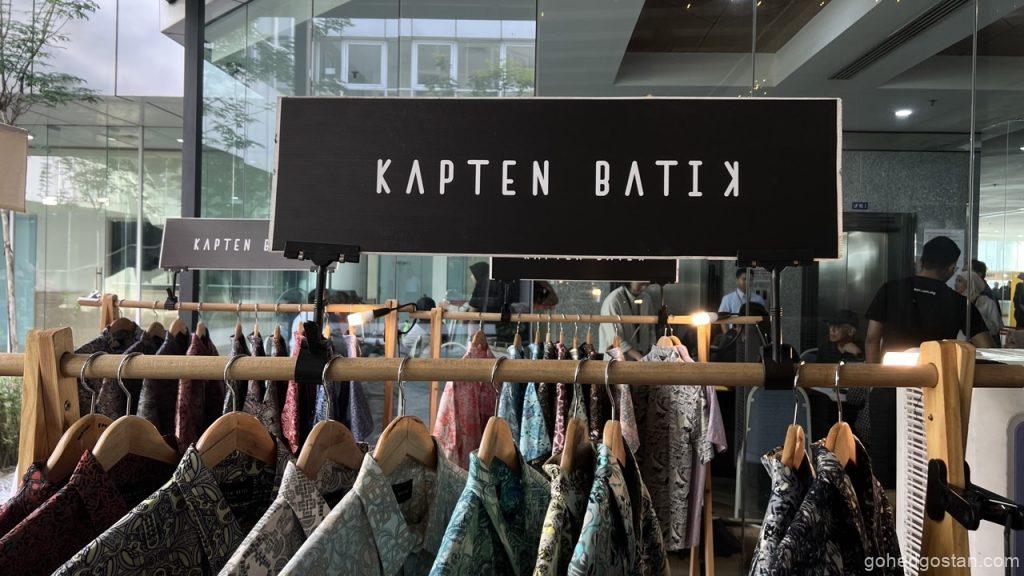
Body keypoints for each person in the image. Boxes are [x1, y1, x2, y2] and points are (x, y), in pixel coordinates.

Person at [864, 236, 994, 363]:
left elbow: (872, 339)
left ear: (921, 261)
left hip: (893, 372)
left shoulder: (890, 289)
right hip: (937, 374)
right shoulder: (959, 302)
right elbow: (987, 349)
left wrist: (875, 375)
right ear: (951, 268)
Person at [598, 282, 655, 360]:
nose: (644, 288)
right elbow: (614, 338)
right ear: (630, 280)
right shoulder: (613, 300)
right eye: (641, 284)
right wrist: (640, 358)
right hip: (615, 361)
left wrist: (651, 351)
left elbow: (651, 329)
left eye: (647, 284)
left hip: (642, 358)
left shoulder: (646, 298)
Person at [956, 270, 1003, 344]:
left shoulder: (986, 302)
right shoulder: (955, 301)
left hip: (980, 345)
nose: (955, 284)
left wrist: (977, 319)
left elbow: (996, 327)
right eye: (956, 281)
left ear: (970, 283)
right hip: (958, 345)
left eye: (959, 281)